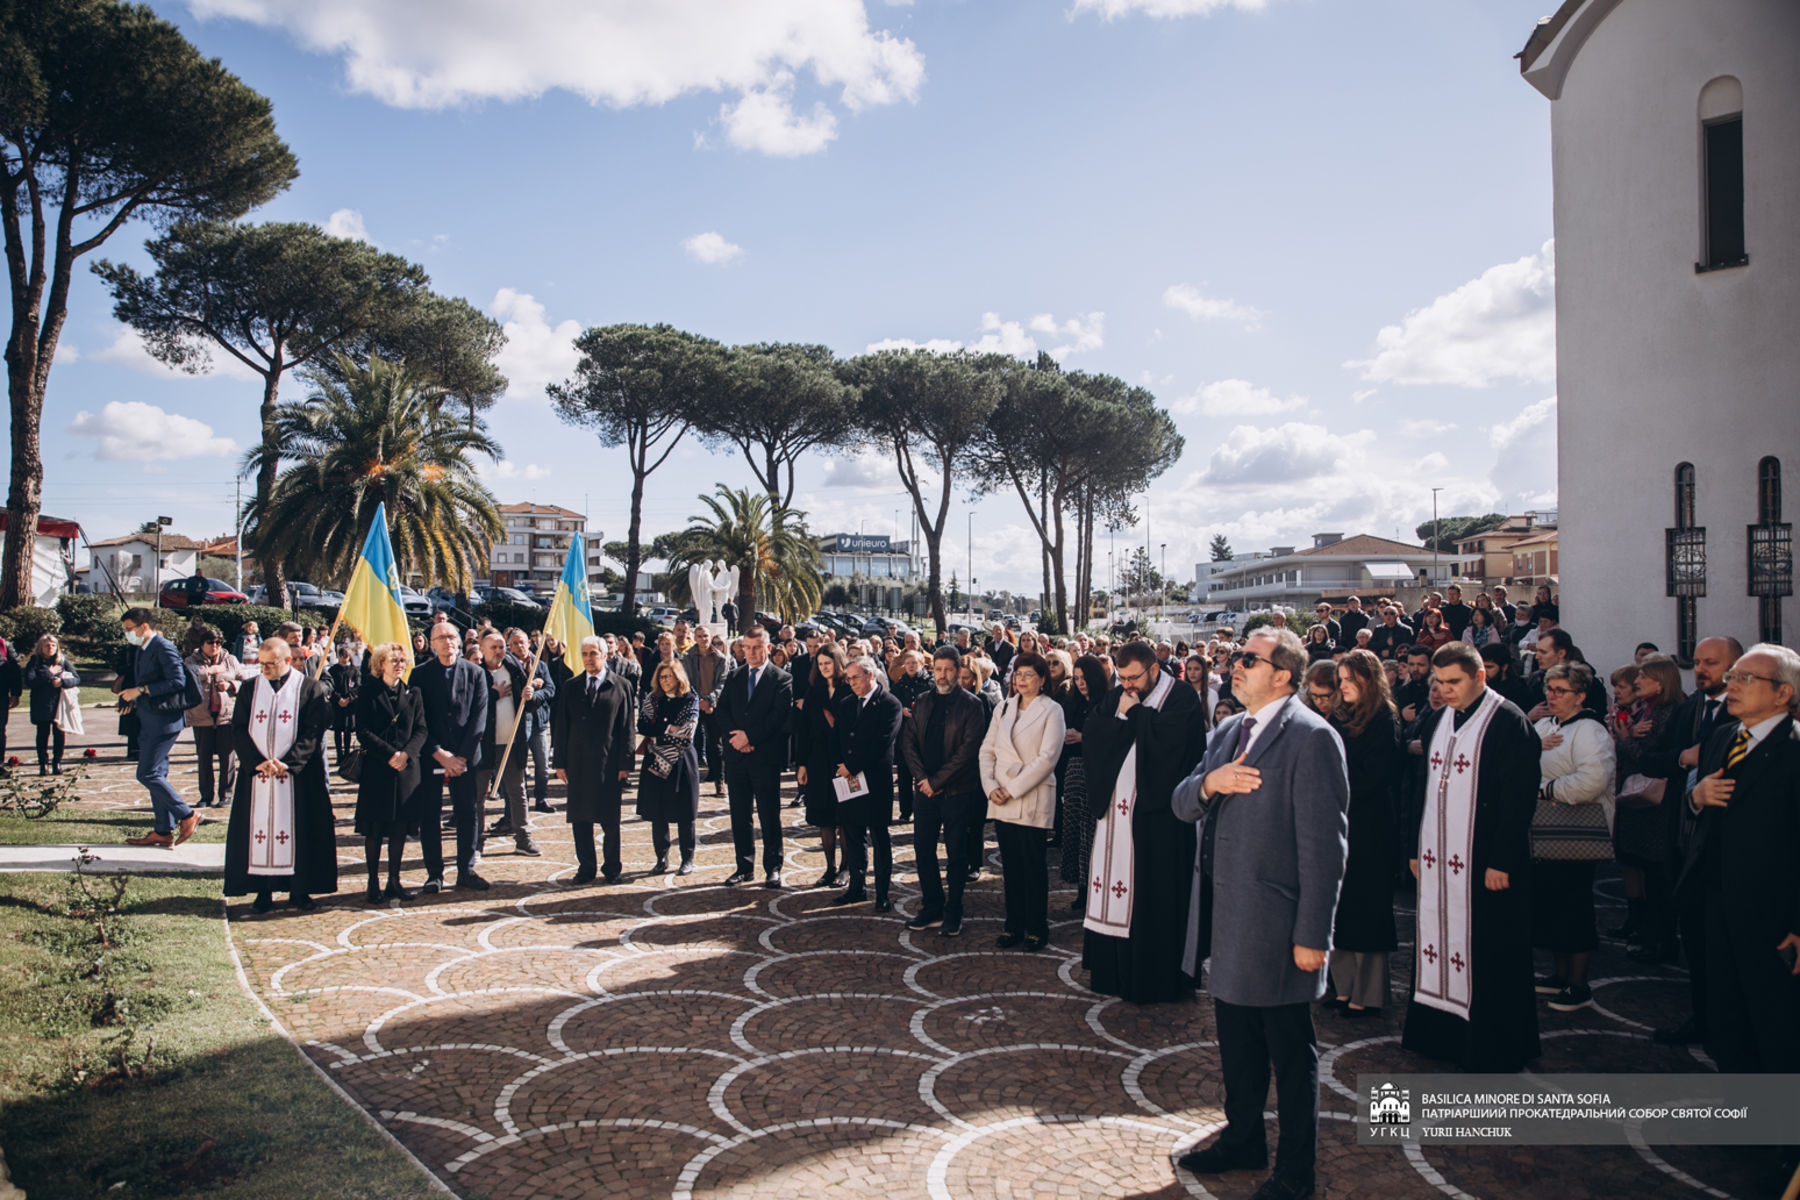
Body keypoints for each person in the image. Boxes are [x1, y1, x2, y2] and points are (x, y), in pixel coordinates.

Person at [1174, 626, 1348, 1197]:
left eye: (1250, 658)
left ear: (1284, 675)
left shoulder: (1313, 738)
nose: (1236, 664)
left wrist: (1313, 934)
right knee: (1237, 1045)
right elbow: (1181, 803)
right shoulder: (1227, 729)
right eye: (1237, 655)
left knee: (1291, 1059)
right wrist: (1211, 783)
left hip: (1279, 929)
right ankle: (1243, 1136)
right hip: (1227, 919)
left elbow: (1326, 848)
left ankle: (1296, 1173)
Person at [1401, 641, 1542, 1073]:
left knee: (1490, 951)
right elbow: (1420, 789)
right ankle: (1439, 1034)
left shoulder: (1509, 722)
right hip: (1438, 857)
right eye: (1438, 683)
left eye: (1453, 682)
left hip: (1485, 864)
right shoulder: (1439, 719)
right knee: (1437, 942)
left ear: (1480, 677)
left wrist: (1502, 860)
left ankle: (1492, 1044)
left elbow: (1518, 801)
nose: (1444, 691)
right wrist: (1413, 847)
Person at [1678, 643, 1800, 1112]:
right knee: (1727, 1018)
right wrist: (1696, 797)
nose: (1732, 685)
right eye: (1733, 676)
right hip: (1716, 899)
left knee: (1773, 1023)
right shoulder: (1724, 737)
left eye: (1746, 678)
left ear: (1783, 693)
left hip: (1771, 914)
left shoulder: (1793, 750)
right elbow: (1700, 811)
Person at [1081, 639, 1206, 1004]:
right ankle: (1113, 974)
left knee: (1156, 897)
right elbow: (1094, 732)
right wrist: (1127, 720)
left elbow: (1174, 750)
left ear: (1154, 669)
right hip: (1116, 820)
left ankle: (1157, 979)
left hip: (1159, 823)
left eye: (1134, 677)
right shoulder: (1120, 693)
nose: (1128, 685)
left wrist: (1134, 718)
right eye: (1122, 678)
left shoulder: (1180, 697)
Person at [1652, 636, 1741, 1046]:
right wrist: (1684, 758)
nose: (1702, 669)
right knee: (1698, 939)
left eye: (1712, 662)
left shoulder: (1746, 716)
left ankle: (1731, 1024)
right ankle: (1702, 1018)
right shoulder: (1689, 708)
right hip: (1683, 830)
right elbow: (1657, 756)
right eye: (1699, 662)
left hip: (1727, 843)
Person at [1528, 662, 1617, 1013]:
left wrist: (1543, 789)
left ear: (1580, 696)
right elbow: (1517, 757)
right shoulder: (1543, 725)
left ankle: (1579, 984)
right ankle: (1559, 974)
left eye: (1560, 690)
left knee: (1574, 907)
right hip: (1544, 832)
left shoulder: (1591, 731)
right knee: (1550, 905)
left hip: (1578, 832)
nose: (1551, 695)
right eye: (1549, 689)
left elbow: (1592, 781)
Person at [224, 637, 337, 912]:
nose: (264, 669)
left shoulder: (308, 688)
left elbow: (314, 730)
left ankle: (300, 891)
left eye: (271, 664)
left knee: (299, 831)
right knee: (258, 832)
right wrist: (255, 761)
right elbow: (238, 727)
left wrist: (288, 762)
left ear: (287, 661)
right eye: (261, 664)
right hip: (259, 776)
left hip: (297, 777)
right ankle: (263, 891)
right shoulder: (250, 689)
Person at [1324, 649, 1401, 1017]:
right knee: (1340, 905)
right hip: (1341, 820)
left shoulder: (1384, 718)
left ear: (1367, 680)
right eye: (1340, 681)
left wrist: (1339, 780)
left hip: (1370, 826)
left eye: (1350, 680)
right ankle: (1341, 984)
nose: (1344, 687)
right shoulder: (1340, 716)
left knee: (1367, 908)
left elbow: (1377, 775)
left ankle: (1367, 992)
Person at [979, 651, 1065, 951]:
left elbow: (1047, 759)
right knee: (1011, 866)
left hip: (1030, 796)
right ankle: (1013, 924)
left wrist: (1012, 788)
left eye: (1029, 675)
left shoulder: (1052, 710)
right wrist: (991, 786)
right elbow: (987, 751)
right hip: (1002, 799)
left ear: (1042, 679)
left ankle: (1036, 926)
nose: (1022, 680)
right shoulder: (1003, 708)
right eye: (1018, 674)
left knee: (1033, 867)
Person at [902, 646, 988, 937]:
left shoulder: (972, 705)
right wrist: (922, 779)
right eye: (938, 669)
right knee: (923, 850)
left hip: (957, 792)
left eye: (948, 669)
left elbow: (967, 752)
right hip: (925, 792)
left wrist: (936, 781)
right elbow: (908, 742)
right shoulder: (923, 701)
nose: (942, 675)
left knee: (956, 855)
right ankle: (932, 905)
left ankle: (954, 910)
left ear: (958, 670)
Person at [1611, 654, 1685, 963]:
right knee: (1643, 870)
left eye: (1644, 676)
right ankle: (1646, 931)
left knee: (1657, 877)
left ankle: (1661, 942)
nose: (1637, 680)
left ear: (1661, 681)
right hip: (1637, 802)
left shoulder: (1669, 712)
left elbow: (1650, 758)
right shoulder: (1649, 709)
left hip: (1654, 806)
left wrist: (1625, 739)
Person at [411, 621, 491, 892]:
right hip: (431, 755)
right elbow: (417, 719)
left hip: (466, 756)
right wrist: (438, 753)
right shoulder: (419, 675)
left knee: (468, 813)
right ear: (431, 644)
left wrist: (461, 758)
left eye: (451, 636)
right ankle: (434, 873)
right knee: (430, 815)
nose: (447, 642)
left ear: (459, 641)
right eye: (441, 638)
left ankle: (466, 869)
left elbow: (479, 718)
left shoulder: (475, 673)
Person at [712, 625, 793, 888]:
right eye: (747, 648)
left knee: (769, 814)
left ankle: (773, 867)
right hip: (736, 758)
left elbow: (777, 717)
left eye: (757, 647)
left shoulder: (781, 678)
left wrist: (750, 737)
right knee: (739, 814)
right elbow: (722, 711)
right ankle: (744, 867)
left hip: (764, 757)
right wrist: (736, 739)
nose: (752, 653)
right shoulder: (734, 676)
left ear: (768, 648)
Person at [118, 610, 201, 848]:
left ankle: (187, 815)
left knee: (147, 774)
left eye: (130, 628)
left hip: (164, 721)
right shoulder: (143, 648)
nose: (127, 633)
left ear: (144, 627)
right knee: (158, 774)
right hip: (149, 719)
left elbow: (177, 681)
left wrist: (142, 690)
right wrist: (129, 696)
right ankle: (163, 831)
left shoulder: (162, 646)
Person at [353, 642, 427, 903]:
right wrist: (390, 754)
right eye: (393, 660)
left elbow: (421, 730)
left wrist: (406, 754)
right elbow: (362, 730)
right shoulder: (368, 692)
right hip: (378, 769)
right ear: (380, 664)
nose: (399, 665)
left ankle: (394, 880)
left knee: (399, 829)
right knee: (375, 830)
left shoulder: (413, 693)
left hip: (406, 770)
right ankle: (373, 882)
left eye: (402, 661)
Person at [832, 655, 904, 911]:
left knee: (879, 839)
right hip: (849, 781)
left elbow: (882, 742)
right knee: (852, 835)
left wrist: (852, 766)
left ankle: (882, 893)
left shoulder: (890, 704)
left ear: (870, 675)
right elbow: (838, 738)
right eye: (848, 678)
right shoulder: (846, 703)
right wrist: (841, 765)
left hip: (874, 781)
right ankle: (856, 887)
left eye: (855, 678)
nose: (850, 683)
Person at [476, 630, 541, 857]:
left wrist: (531, 694)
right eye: (493, 647)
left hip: (512, 742)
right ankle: (476, 842)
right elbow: (467, 706)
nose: (498, 651)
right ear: (482, 649)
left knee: (517, 790)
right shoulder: (475, 672)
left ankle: (523, 838)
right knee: (478, 795)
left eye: (501, 647)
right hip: (482, 745)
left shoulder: (514, 668)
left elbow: (529, 704)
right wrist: (493, 695)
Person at [636, 658, 701, 875]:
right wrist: (668, 727)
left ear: (678, 676)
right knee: (658, 813)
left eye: (669, 676)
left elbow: (687, 731)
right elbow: (642, 725)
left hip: (682, 761)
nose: (665, 681)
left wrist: (658, 729)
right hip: (655, 761)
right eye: (662, 677)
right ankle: (661, 858)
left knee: (685, 813)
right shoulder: (652, 699)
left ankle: (687, 859)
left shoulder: (690, 698)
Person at [796, 643, 852, 889]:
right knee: (824, 817)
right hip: (818, 760)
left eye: (828, 663)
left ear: (838, 663)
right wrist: (802, 764)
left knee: (845, 817)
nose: (824, 668)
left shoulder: (849, 688)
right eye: (820, 664)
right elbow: (803, 731)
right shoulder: (814, 691)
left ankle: (846, 867)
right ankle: (829, 867)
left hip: (843, 761)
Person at [1058, 655, 1107, 914]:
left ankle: (1094, 887)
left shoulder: (1107, 704)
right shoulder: (1073, 703)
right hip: (1074, 769)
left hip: (1096, 771)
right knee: (1076, 831)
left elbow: (1112, 740)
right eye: (1076, 679)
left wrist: (1083, 738)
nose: (1080, 684)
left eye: (1084, 678)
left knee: (1093, 833)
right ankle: (1081, 888)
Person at [185, 630, 251, 807]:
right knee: (204, 758)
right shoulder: (191, 660)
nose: (214, 646)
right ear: (202, 644)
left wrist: (230, 685)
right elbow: (189, 678)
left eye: (218, 642)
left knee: (227, 757)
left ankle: (226, 794)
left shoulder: (230, 659)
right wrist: (211, 671)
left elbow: (245, 681)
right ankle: (206, 796)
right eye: (210, 642)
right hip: (202, 717)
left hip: (227, 716)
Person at [506, 628, 557, 815]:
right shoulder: (508, 665)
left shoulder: (539, 664)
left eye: (522, 642)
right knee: (520, 763)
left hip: (539, 722)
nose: (520, 646)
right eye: (515, 643)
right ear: (510, 646)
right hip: (519, 722)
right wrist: (527, 688)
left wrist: (536, 694)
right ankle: (522, 800)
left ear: (529, 642)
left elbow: (551, 688)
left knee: (542, 763)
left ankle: (541, 797)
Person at [683, 628, 732, 799]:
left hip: (714, 706)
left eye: (705, 636)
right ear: (694, 638)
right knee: (692, 744)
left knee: (715, 745)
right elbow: (685, 681)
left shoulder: (721, 658)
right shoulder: (687, 657)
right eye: (699, 636)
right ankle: (690, 781)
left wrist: (710, 700)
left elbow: (723, 682)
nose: (703, 639)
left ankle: (719, 781)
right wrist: (698, 701)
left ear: (710, 637)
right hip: (693, 705)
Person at [22, 633, 79, 776]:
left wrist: (62, 682)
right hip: (41, 704)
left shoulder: (62, 660)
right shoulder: (35, 661)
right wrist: (48, 674)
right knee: (42, 734)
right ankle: (43, 764)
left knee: (59, 734)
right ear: (40, 647)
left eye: (53, 645)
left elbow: (76, 679)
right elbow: (30, 681)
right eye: (47, 645)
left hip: (59, 704)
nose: (50, 648)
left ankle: (57, 763)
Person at [326, 645, 360, 759]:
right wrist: (338, 698)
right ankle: (339, 754)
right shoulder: (333, 670)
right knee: (337, 729)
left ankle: (346, 754)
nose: (343, 659)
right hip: (337, 704)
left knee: (347, 729)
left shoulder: (354, 671)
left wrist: (349, 698)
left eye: (345, 657)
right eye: (341, 656)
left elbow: (357, 686)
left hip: (349, 704)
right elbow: (330, 686)